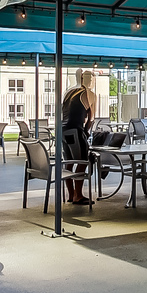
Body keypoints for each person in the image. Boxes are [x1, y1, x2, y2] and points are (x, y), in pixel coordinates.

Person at [60, 70, 98, 205]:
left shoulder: (68, 92)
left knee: (69, 162)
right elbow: (91, 118)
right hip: (76, 129)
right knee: (82, 161)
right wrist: (86, 132)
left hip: (62, 130)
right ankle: (78, 195)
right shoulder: (89, 94)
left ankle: (71, 194)